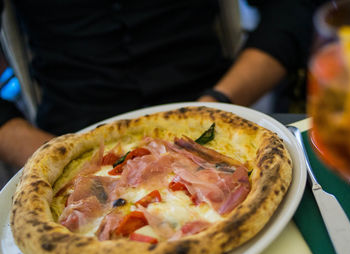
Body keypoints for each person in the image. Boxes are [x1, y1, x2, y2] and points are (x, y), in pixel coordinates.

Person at [0, 0, 326, 168]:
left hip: (214, 118)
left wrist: (218, 101)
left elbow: (292, 8)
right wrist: (60, 158)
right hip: (71, 137)